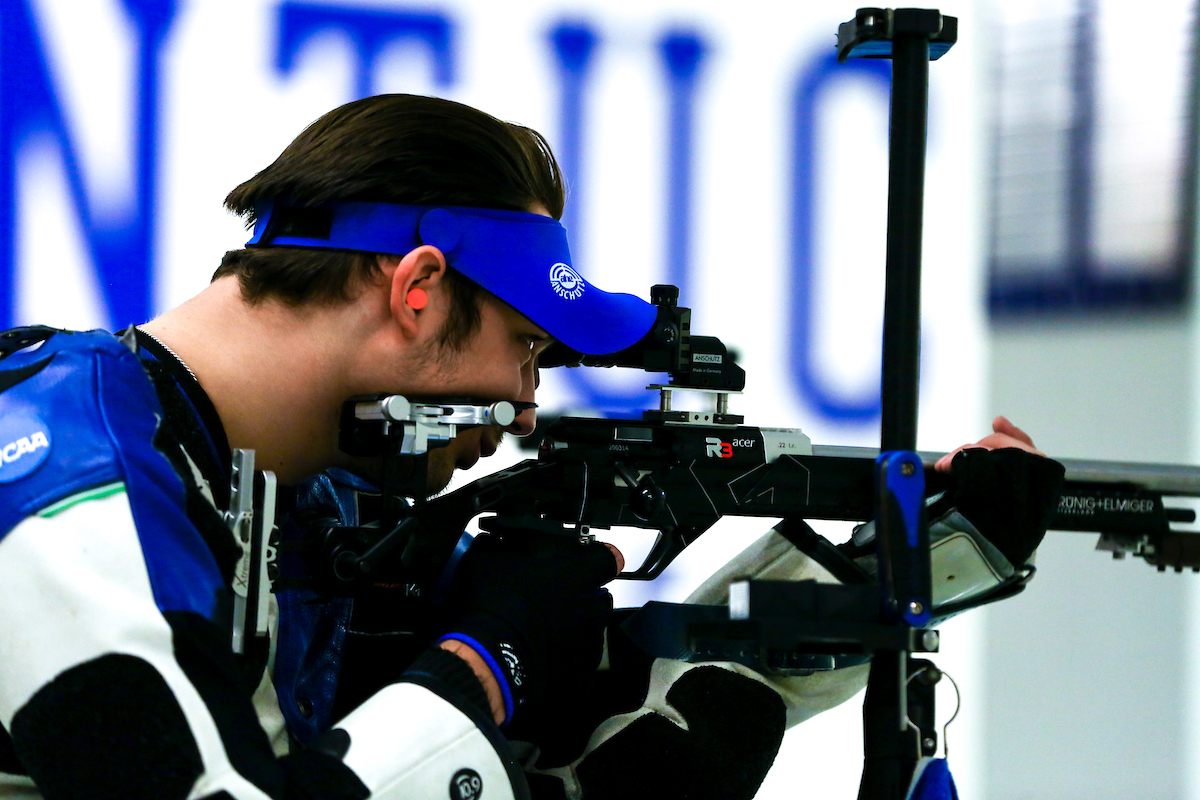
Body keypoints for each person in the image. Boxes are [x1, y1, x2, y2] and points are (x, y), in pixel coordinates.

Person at [0, 93, 1062, 800]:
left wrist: (893, 564)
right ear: (417, 290)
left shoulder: (304, 496)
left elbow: (625, 728)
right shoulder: (71, 484)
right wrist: (482, 659)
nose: (518, 404)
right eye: (528, 348)